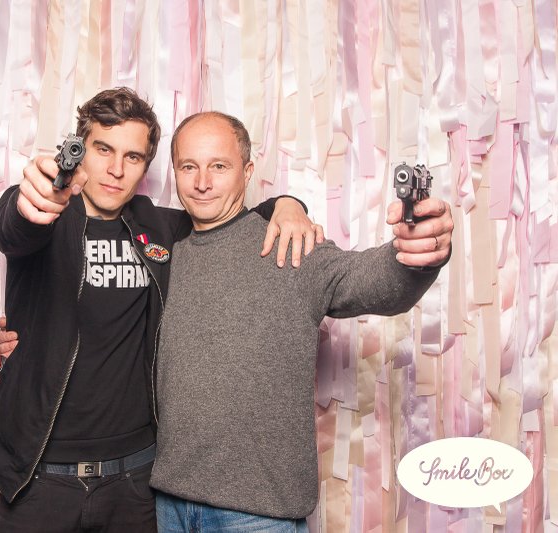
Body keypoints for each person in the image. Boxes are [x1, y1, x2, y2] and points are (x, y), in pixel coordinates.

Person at [0, 88, 321, 533]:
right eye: (103, 149)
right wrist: (31, 199)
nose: (116, 169)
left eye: (132, 157)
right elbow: (15, 223)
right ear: (80, 149)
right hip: (40, 479)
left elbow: (232, 217)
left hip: (134, 484)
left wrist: (288, 204)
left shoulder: (160, 227)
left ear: (146, 167)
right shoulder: (42, 214)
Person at [148, 111, 454, 532]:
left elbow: (374, 281)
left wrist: (419, 252)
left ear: (247, 172)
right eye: (188, 167)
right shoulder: (164, 252)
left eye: (218, 166)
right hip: (169, 503)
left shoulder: (288, 242)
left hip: (258, 516)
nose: (202, 181)